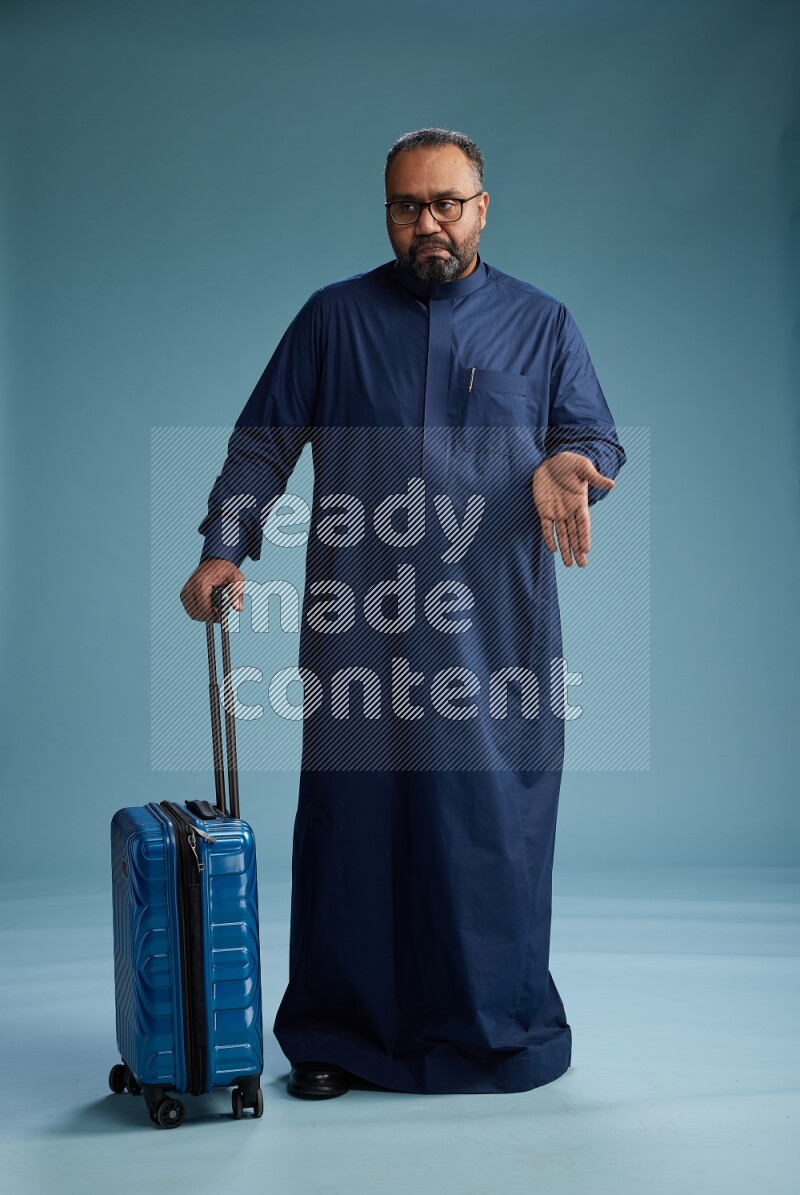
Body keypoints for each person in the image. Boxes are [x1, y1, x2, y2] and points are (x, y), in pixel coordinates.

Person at [180, 128, 626, 1099]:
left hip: (493, 631)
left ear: (482, 206)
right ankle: (342, 1034)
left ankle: (493, 1030)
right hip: (360, 621)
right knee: (355, 828)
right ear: (386, 210)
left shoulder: (538, 325)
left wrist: (565, 465)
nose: (426, 222)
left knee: (486, 830)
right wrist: (223, 545)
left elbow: (590, 435)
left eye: (445, 203)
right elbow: (264, 441)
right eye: (405, 205)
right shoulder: (332, 320)